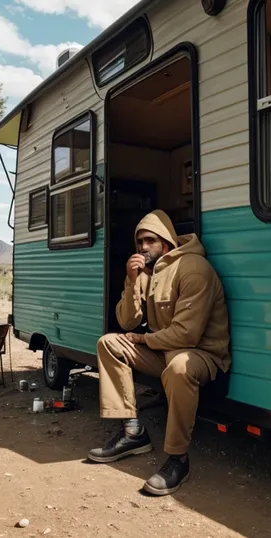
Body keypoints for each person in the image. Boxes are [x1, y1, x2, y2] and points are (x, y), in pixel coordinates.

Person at [88, 210, 230, 496]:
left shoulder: (193, 269)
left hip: (199, 354)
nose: (142, 247)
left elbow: (186, 335)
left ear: (166, 241)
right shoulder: (146, 273)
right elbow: (126, 321)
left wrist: (142, 338)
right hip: (163, 351)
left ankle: (178, 458)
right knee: (109, 343)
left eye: (149, 240)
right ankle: (132, 432)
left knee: (179, 367)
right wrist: (131, 281)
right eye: (139, 241)